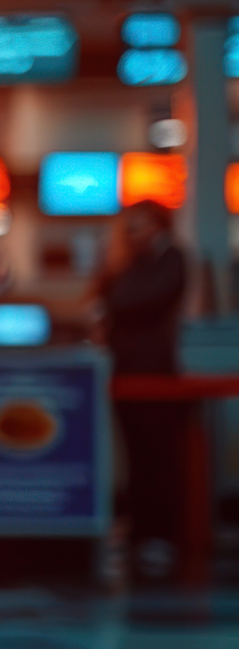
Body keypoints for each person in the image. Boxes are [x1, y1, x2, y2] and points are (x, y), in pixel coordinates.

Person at [97, 198, 189, 580]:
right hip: (125, 375)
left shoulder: (172, 260)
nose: (133, 233)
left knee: (159, 457)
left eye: (140, 225)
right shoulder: (124, 262)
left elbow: (130, 301)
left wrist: (126, 266)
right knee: (134, 458)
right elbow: (103, 296)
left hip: (156, 376)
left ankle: (161, 536)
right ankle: (137, 532)